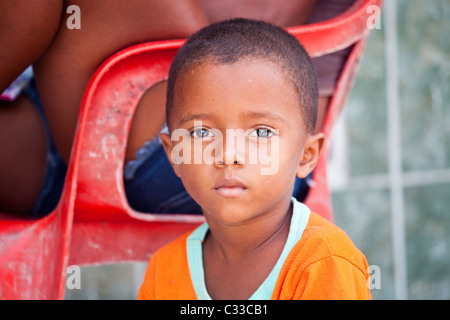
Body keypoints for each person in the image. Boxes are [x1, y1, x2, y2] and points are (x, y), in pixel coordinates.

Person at [137, 19, 371, 300]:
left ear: (306, 156)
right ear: (174, 153)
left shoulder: (323, 262)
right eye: (201, 132)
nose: (228, 155)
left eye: (261, 132)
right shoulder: (164, 272)